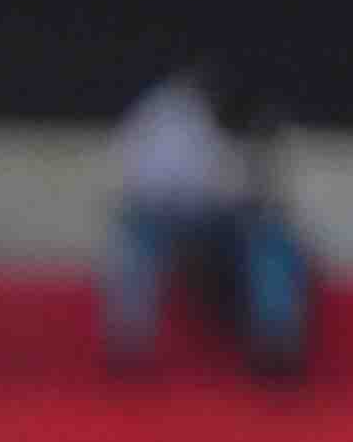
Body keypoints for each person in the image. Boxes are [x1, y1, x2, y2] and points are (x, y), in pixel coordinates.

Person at [105, 65, 312, 381]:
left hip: (221, 225)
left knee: (271, 238)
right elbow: (146, 191)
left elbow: (256, 191)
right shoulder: (165, 116)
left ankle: (276, 345)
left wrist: (249, 199)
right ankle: (130, 347)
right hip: (165, 221)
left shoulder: (240, 122)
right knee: (136, 235)